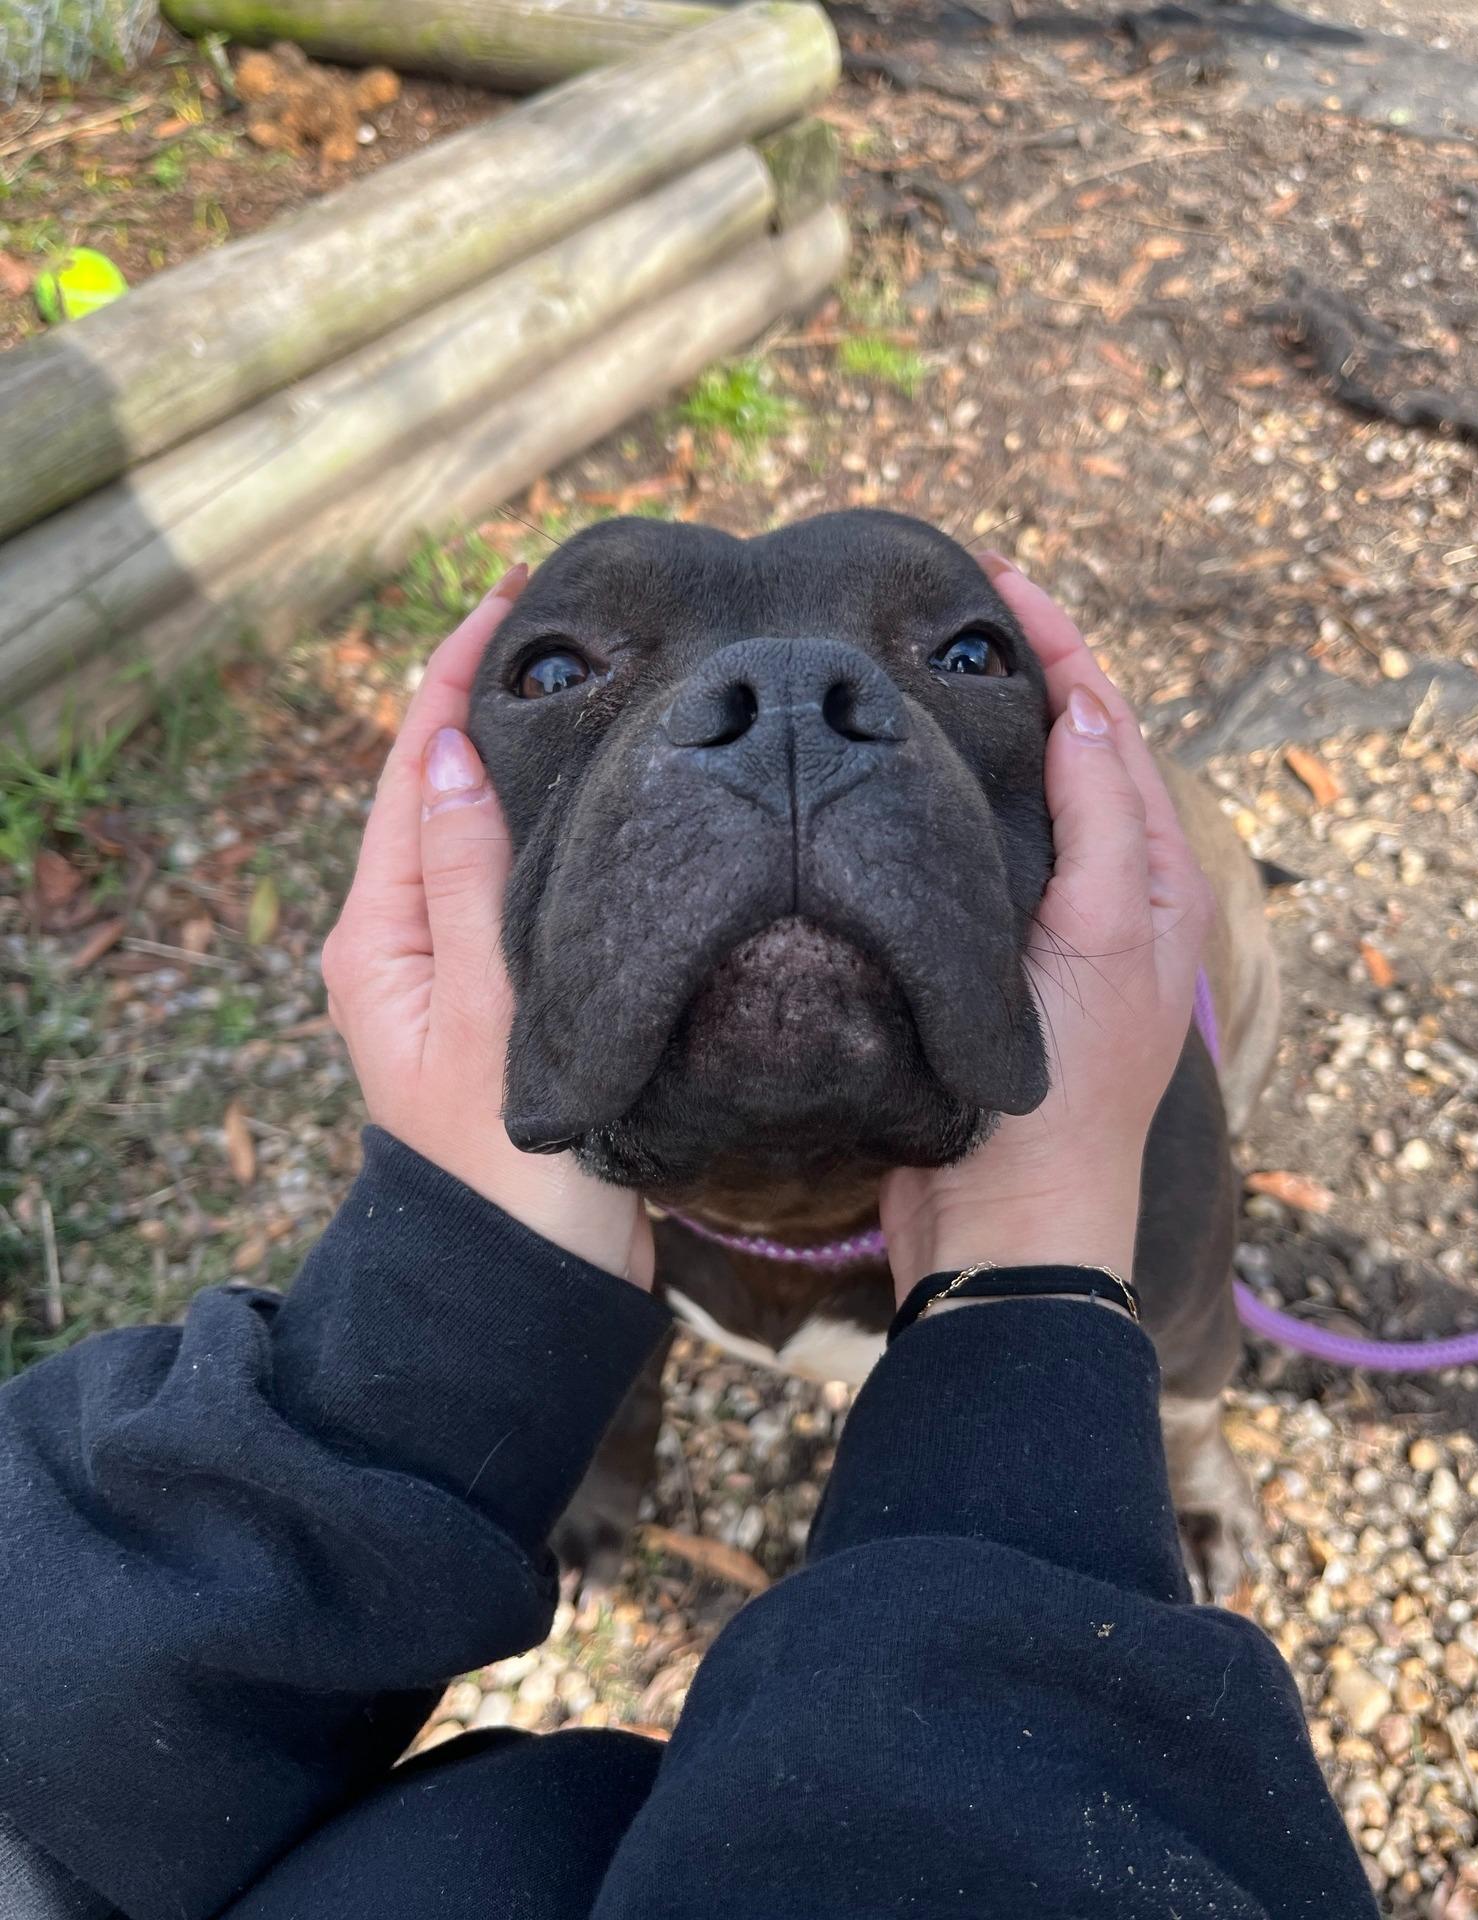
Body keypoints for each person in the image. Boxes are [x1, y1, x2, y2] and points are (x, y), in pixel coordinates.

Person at [0, 556, 1376, 1920]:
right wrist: (1041, 1299)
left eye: (961, 659)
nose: (787, 705)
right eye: (557, 676)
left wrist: (442, 1321)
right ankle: (610, 1475)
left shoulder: (1159, 1142)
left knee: (1191, 1263)